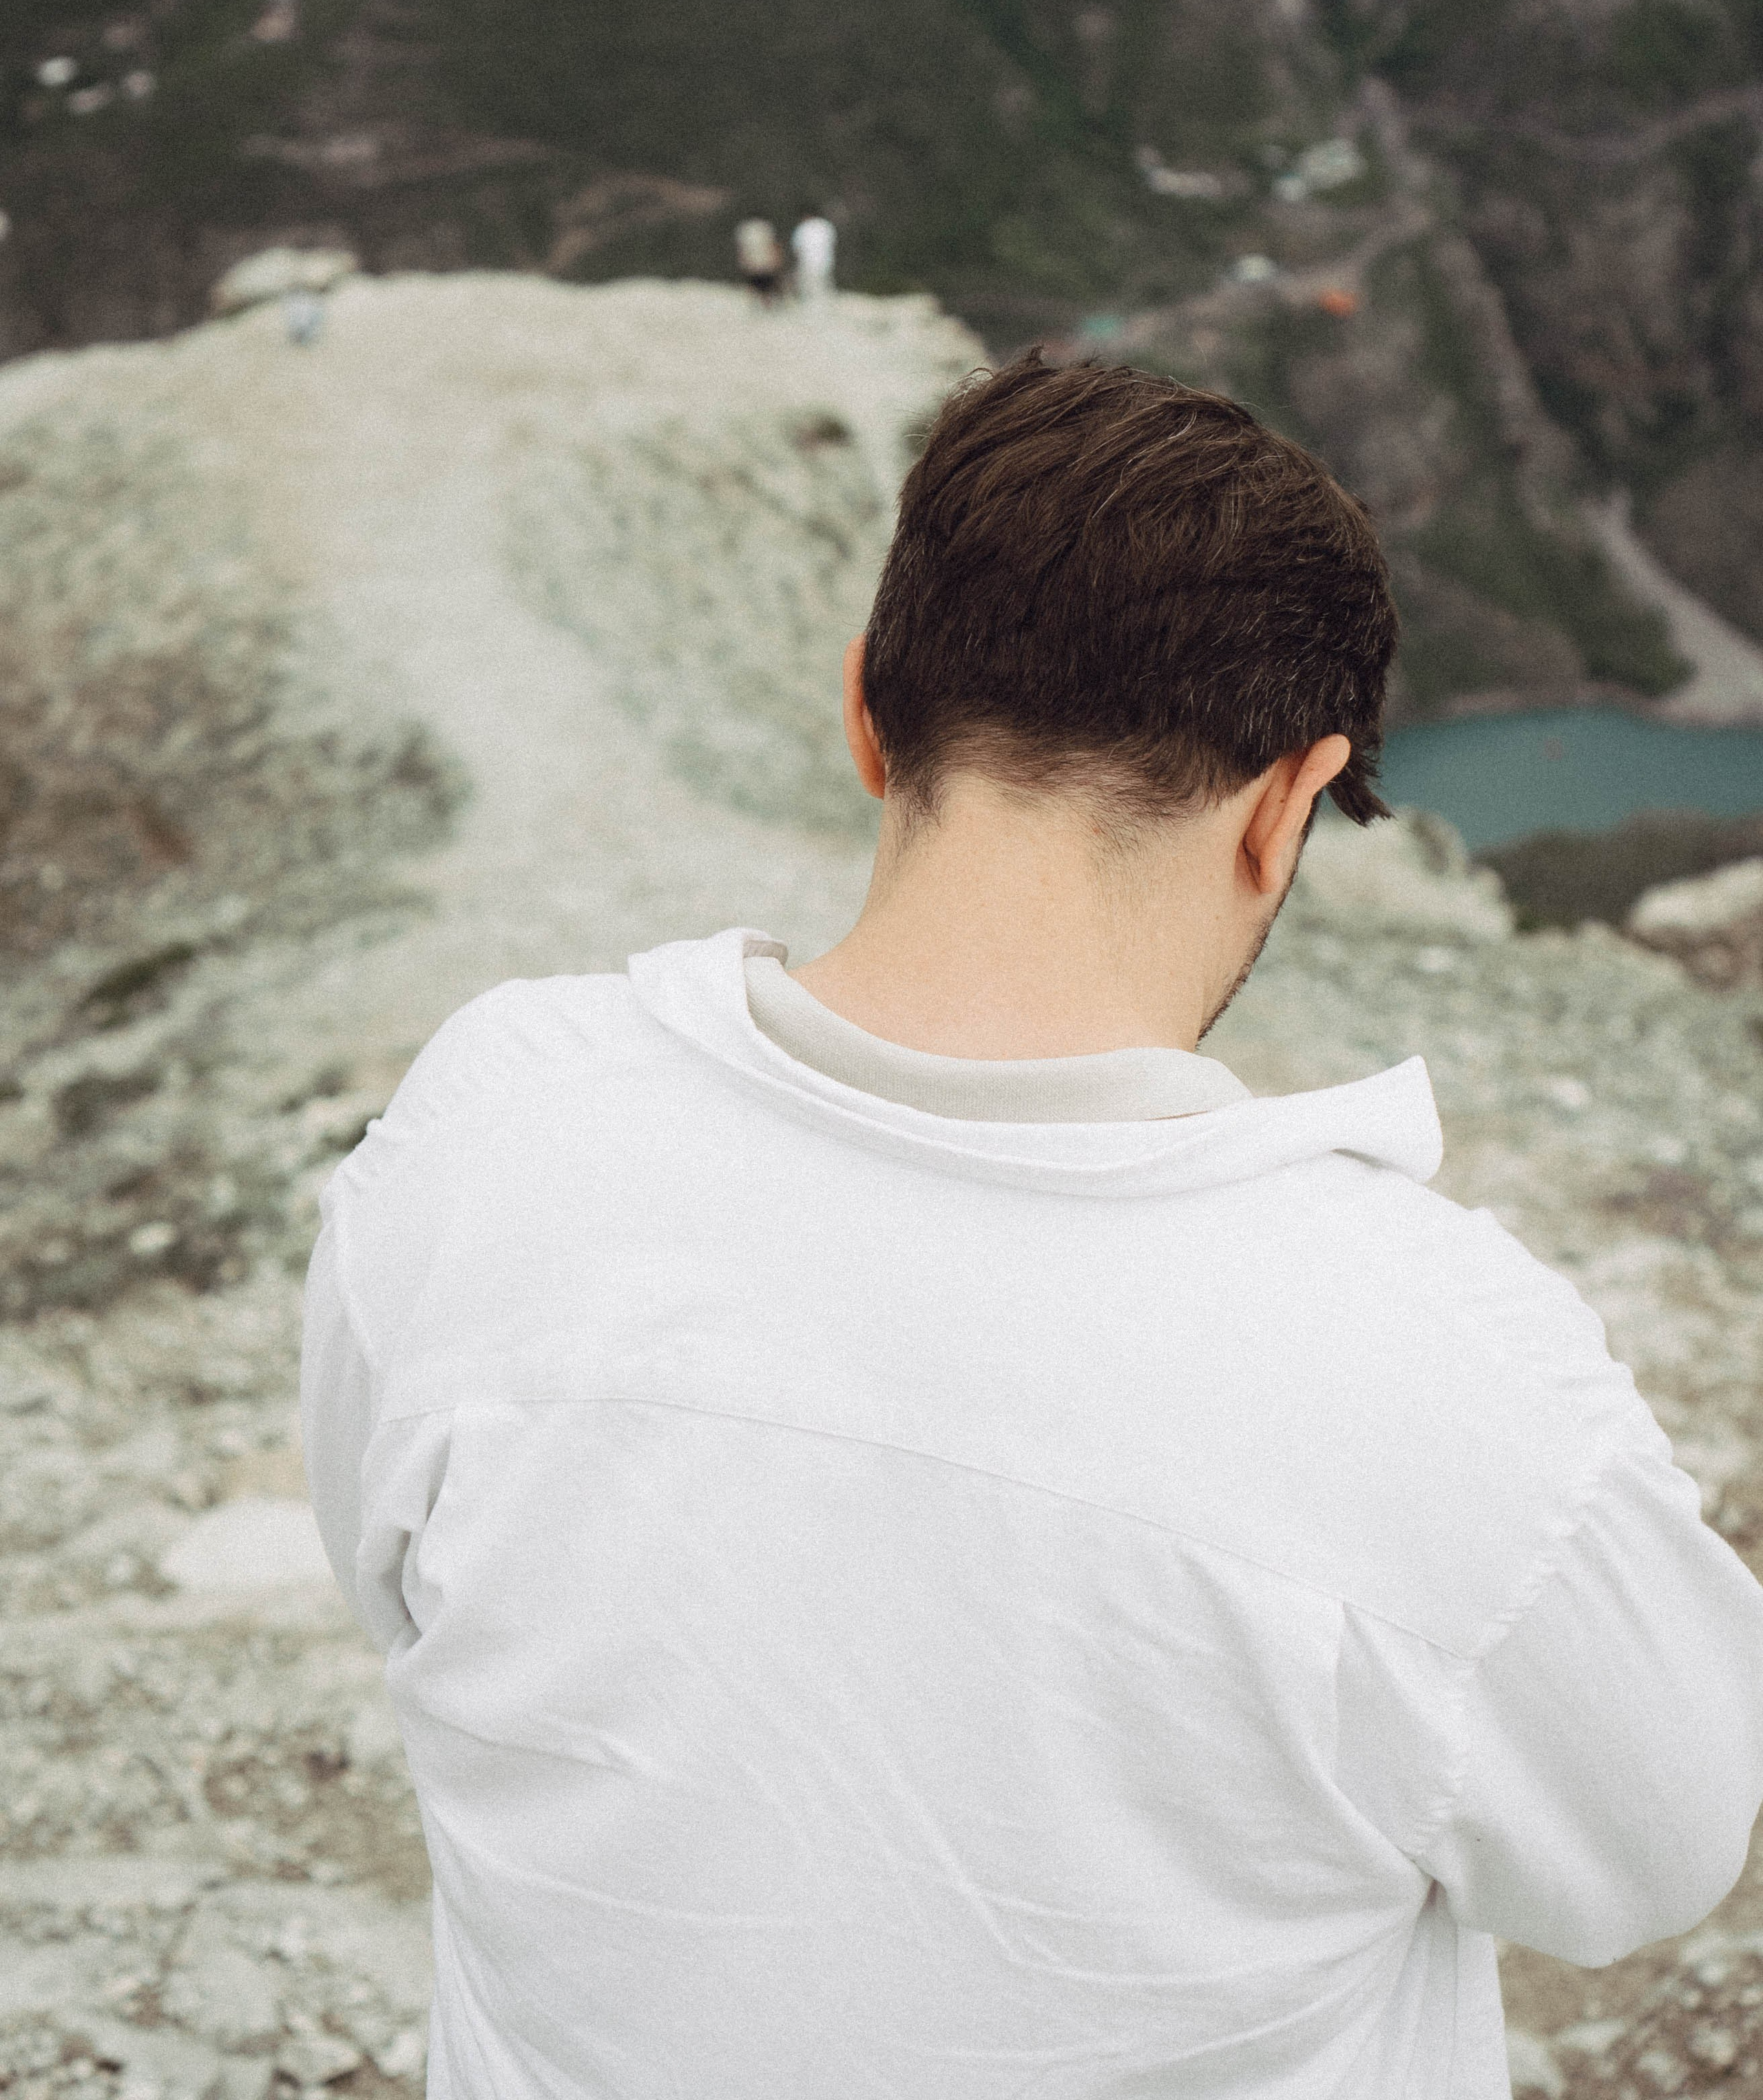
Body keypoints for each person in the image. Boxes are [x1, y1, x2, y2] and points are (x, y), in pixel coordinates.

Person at [303, 355, 1763, 2100]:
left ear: (864, 714)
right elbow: (1659, 1851)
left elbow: (385, 1569)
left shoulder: (487, 1124)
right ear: (1281, 806)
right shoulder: (1451, 1378)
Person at [734, 215, 784, 304]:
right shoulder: (767, 227)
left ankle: (759, 304)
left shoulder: (745, 229)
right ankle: (767, 303)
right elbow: (774, 245)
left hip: (753, 264)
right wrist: (777, 259)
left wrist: (743, 262)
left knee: (757, 285)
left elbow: (741, 249)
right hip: (766, 263)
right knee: (768, 286)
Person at [791, 207, 837, 302]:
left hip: (808, 265)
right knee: (825, 291)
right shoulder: (826, 225)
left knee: (810, 294)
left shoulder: (803, 227)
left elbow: (797, 250)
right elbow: (832, 244)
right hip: (826, 264)